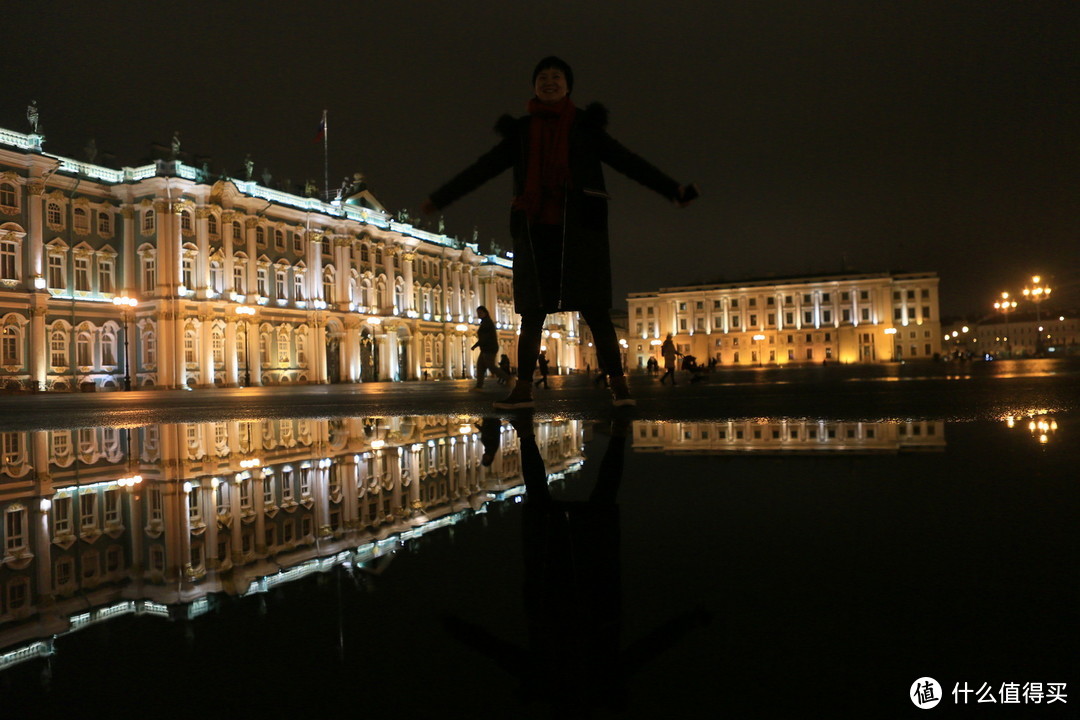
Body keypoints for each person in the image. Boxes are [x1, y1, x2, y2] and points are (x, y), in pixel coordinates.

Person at [422, 56, 696, 409]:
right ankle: (523, 390)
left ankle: (619, 387)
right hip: (536, 231)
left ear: (568, 85)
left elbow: (628, 161)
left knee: (595, 312)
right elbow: (483, 168)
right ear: (534, 86)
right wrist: (441, 197)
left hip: (581, 229)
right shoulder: (520, 132)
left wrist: (673, 190)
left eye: (556, 77)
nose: (549, 82)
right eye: (542, 78)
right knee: (532, 313)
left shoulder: (585, 127)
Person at [471, 305, 510, 391]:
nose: (478, 314)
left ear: (485, 313)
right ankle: (479, 386)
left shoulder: (487, 323)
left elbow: (484, 338)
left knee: (491, 366)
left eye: (480, 312)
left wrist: (475, 345)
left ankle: (508, 379)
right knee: (480, 366)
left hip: (489, 348)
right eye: (478, 313)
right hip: (486, 348)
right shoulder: (485, 322)